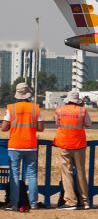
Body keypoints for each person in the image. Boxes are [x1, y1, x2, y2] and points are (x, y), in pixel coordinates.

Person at [1, 82, 45, 210]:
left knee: (14, 174)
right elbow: (41, 128)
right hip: (30, 145)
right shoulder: (35, 108)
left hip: (15, 145)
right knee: (32, 175)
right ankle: (33, 203)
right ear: (28, 94)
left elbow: (4, 127)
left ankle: (14, 203)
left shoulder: (11, 108)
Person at [54, 90, 92, 210]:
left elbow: (57, 124)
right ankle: (85, 201)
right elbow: (88, 123)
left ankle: (71, 201)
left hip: (64, 144)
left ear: (67, 99)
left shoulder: (59, 109)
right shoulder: (82, 110)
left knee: (67, 173)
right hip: (79, 144)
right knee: (81, 173)